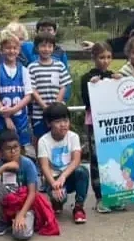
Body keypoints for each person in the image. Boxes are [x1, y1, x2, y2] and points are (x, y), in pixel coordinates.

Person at [80, 42, 125, 213]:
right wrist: (93, 86)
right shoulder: (87, 78)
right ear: (94, 58)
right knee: (97, 160)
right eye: (101, 57)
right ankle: (100, 197)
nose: (105, 61)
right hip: (94, 123)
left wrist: (119, 82)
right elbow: (86, 101)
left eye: (108, 57)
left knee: (114, 157)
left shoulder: (114, 76)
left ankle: (115, 194)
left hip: (112, 123)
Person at [0, 130, 41, 240]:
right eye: (8, 148)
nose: (13, 151)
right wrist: (4, 167)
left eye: (16, 147)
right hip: (7, 202)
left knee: (21, 234)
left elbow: (32, 193)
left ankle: (25, 220)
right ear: (0, 151)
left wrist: (21, 214)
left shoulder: (27, 163)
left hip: (25, 206)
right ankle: (4, 220)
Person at [37, 102, 89, 223]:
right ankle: (56, 203)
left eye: (65, 120)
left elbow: (76, 160)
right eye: (58, 122)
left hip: (68, 176)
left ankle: (79, 207)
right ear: (49, 123)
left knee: (82, 171)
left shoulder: (73, 137)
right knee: (60, 198)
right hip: (53, 178)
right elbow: (44, 167)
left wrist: (63, 176)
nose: (63, 125)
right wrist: (54, 183)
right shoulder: (43, 141)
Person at [0, 34, 34, 153]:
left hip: (20, 118)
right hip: (0, 119)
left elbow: (28, 96)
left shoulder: (24, 71)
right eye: (8, 48)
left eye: (14, 48)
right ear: (2, 50)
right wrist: (6, 115)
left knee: (21, 149)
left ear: (19, 50)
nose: (11, 51)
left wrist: (14, 110)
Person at [28, 32, 73, 140]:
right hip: (39, 113)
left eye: (49, 46)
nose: (46, 49)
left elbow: (63, 85)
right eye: (43, 46)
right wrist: (45, 107)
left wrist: (56, 105)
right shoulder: (32, 67)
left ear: (53, 48)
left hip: (57, 114)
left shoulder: (59, 65)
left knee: (59, 139)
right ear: (37, 48)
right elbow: (32, 89)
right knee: (40, 139)